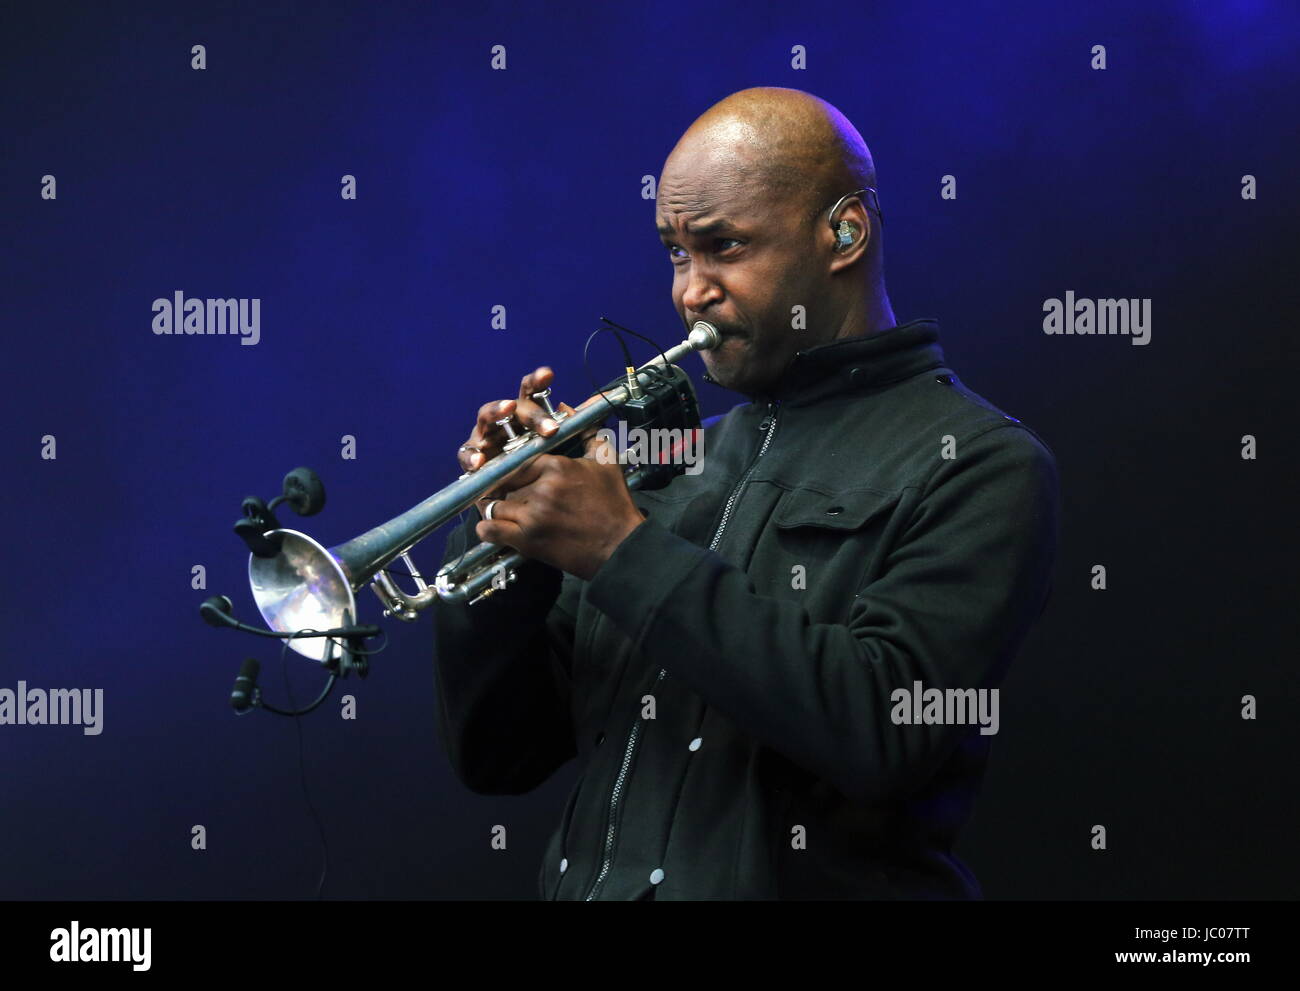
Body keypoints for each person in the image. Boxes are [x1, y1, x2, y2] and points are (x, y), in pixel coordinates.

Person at [431, 86, 1060, 899]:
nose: (689, 291)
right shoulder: (667, 465)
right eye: (675, 253)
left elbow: (885, 731)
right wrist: (502, 534)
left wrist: (622, 549)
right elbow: (499, 757)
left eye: (723, 246)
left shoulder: (982, 464)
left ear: (844, 232)